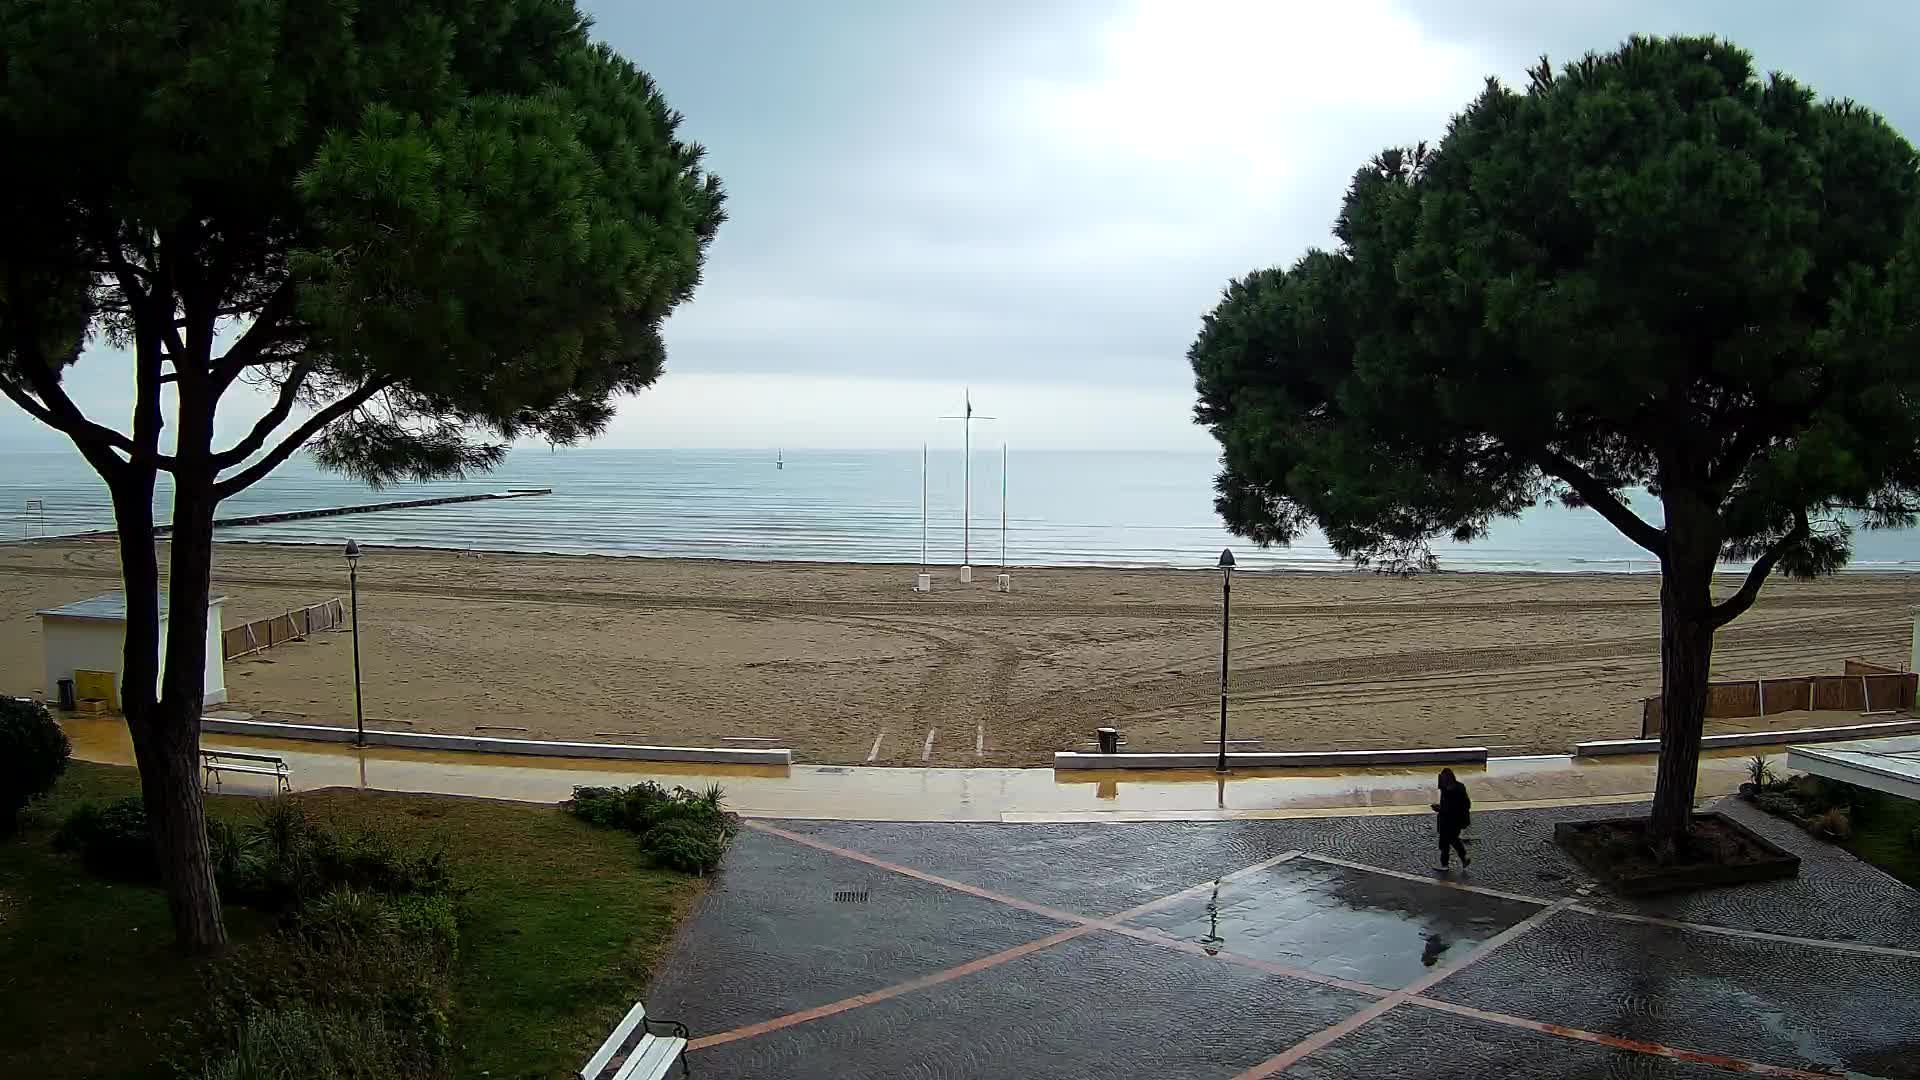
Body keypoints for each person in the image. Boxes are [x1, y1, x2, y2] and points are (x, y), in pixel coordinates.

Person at [1432, 768, 1471, 870]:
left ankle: (1444, 864)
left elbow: (1448, 809)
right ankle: (1464, 857)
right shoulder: (1460, 787)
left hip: (1447, 821)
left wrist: (1438, 808)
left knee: (1444, 843)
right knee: (1454, 839)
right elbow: (1466, 803)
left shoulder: (1448, 791)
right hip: (1458, 820)